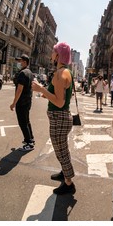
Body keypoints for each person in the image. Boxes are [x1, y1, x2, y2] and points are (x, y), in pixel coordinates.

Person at [31, 42, 76, 195]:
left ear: (58, 55)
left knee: (61, 152)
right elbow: (58, 97)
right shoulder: (65, 72)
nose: (51, 53)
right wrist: (46, 94)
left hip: (59, 118)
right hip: (61, 117)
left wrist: (40, 88)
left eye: (53, 51)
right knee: (62, 150)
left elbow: (59, 101)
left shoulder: (60, 74)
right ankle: (64, 173)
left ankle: (69, 183)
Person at [10, 54, 35, 151]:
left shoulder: (22, 73)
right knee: (26, 121)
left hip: (22, 102)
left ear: (24, 62)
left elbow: (19, 89)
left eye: (20, 61)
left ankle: (29, 143)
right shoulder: (29, 72)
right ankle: (30, 138)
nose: (19, 63)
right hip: (28, 100)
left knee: (22, 123)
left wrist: (13, 103)